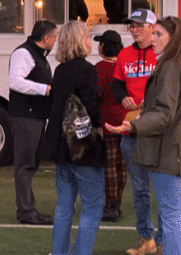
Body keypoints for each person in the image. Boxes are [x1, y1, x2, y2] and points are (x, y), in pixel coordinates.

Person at [107, 16, 181, 255]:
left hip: (168, 151)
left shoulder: (171, 66)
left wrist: (133, 126)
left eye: (159, 34)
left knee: (172, 215)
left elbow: (164, 113)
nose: (153, 39)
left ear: (174, 39)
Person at [38, 21, 105, 255]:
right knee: (92, 207)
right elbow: (91, 108)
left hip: (60, 148)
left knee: (64, 206)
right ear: (79, 41)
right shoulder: (86, 69)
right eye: (87, 37)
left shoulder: (60, 70)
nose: (90, 41)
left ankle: (59, 253)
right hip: (83, 148)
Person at [112, 8, 162, 255]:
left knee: (163, 188)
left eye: (139, 25)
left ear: (153, 26)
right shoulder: (124, 54)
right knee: (140, 190)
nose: (134, 29)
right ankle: (146, 239)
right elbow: (117, 84)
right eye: (131, 25)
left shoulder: (161, 54)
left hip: (156, 130)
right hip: (130, 130)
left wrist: (148, 104)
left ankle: (163, 240)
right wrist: (123, 99)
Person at [7, 20, 56, 225]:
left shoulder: (36, 55)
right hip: (26, 117)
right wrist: (43, 89)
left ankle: (28, 209)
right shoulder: (24, 53)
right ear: (46, 38)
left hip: (34, 117)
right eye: (55, 36)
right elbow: (15, 81)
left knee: (31, 164)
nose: (55, 40)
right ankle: (27, 211)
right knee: (25, 165)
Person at [94, 29, 126, 222]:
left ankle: (111, 204)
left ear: (104, 47)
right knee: (121, 165)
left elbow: (96, 94)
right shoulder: (125, 66)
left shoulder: (100, 68)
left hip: (107, 122)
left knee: (109, 166)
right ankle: (118, 202)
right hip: (126, 119)